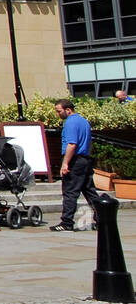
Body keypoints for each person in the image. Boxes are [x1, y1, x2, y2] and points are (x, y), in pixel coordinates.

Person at [53, 98, 100, 232]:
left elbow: (72, 144)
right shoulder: (84, 121)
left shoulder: (71, 123)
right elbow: (88, 142)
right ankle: (102, 219)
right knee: (90, 191)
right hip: (85, 160)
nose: (58, 114)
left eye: (59, 111)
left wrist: (65, 163)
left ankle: (66, 222)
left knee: (70, 192)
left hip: (75, 161)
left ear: (68, 110)